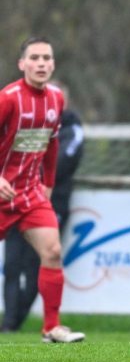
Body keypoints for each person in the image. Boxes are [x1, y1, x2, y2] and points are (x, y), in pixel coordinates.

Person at [0, 37, 85, 343]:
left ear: (53, 64)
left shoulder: (56, 99)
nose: (40, 63)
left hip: (30, 192)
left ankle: (51, 327)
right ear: (22, 64)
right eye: (33, 57)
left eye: (46, 58)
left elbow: (51, 145)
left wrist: (48, 184)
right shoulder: (8, 98)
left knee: (52, 251)